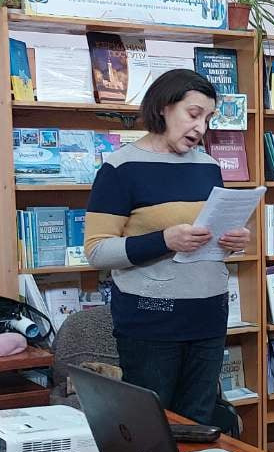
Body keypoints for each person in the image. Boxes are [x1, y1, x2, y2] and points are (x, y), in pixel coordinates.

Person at [84, 69, 251, 424]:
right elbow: (97, 251)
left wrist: (233, 242)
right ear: (163, 107)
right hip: (151, 323)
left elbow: (207, 237)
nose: (201, 128)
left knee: (200, 425)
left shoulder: (208, 167)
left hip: (209, 316)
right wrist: (164, 240)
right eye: (193, 114)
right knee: (153, 428)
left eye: (208, 119)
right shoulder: (120, 168)